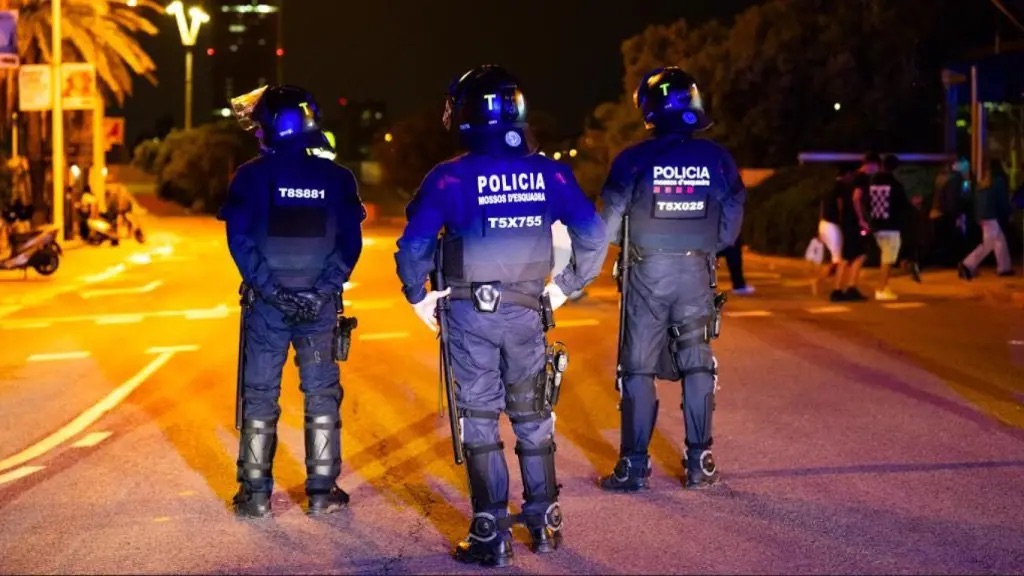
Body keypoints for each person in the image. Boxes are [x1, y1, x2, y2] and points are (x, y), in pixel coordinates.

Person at [394, 64, 607, 567]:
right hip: (529, 312)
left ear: (466, 114)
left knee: (480, 420)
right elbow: (594, 237)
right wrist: (566, 288)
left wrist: (416, 295)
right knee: (533, 415)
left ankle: (491, 532)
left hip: (470, 314)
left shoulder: (448, 177)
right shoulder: (551, 172)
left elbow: (415, 246)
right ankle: (545, 520)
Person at [217, 85, 365, 519]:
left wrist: (273, 290)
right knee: (321, 394)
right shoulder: (338, 179)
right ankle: (322, 491)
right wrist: (321, 290)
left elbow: (240, 243)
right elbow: (350, 244)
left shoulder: (249, 176)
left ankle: (255, 494)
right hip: (318, 307)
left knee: (260, 395)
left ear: (270, 126)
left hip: (267, 307)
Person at [597, 66, 745, 492]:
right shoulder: (718, 159)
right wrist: (705, 247)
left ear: (648, 108)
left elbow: (606, 225)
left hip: (647, 273)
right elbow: (731, 220)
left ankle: (634, 467)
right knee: (697, 361)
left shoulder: (633, 159)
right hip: (697, 271)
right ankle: (701, 462)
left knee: (638, 368)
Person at [959, 159, 1014, 279]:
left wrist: (977, 217)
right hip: (991, 216)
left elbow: (975, 202)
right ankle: (967, 264)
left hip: (983, 217)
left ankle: (1004, 268)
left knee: (1000, 241)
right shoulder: (998, 181)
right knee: (988, 244)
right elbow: (1002, 201)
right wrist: (1009, 213)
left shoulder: (981, 183)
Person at [867, 154, 911, 300]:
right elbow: (903, 206)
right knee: (888, 259)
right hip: (891, 225)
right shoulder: (896, 186)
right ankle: (881, 288)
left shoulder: (873, 182)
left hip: (876, 224)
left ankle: (883, 287)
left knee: (884, 256)